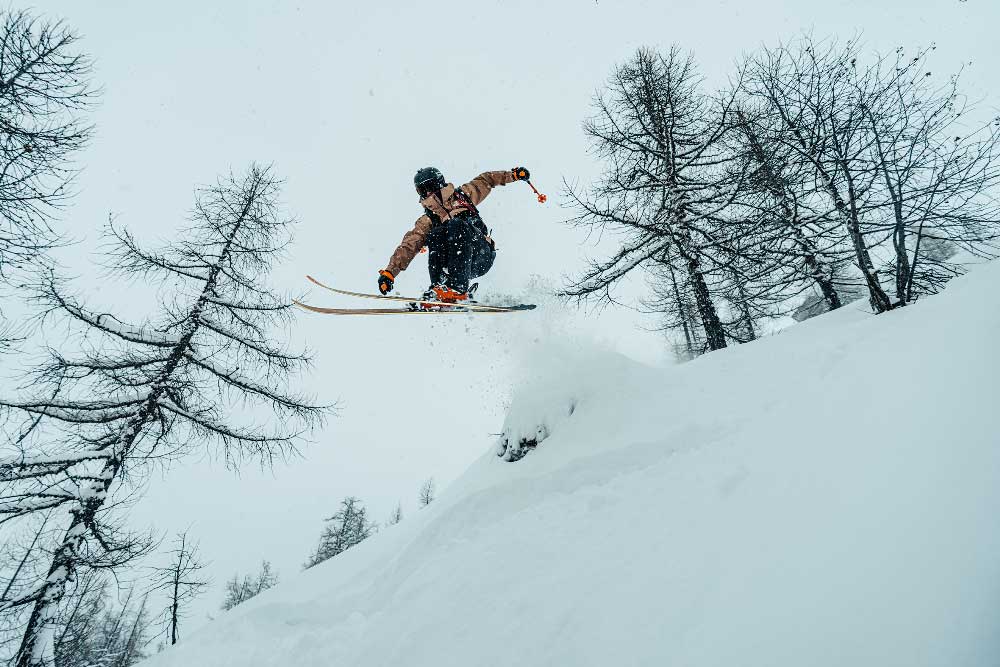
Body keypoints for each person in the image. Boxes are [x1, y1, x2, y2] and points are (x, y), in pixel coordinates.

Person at [377, 166, 531, 305]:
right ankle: (439, 289)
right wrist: (390, 272)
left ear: (438, 184)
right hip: (457, 265)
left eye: (429, 188)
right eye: (422, 191)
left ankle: (458, 289)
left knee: (456, 224)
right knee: (435, 233)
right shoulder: (428, 219)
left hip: (480, 254)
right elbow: (410, 244)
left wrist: (513, 175)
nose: (427, 194)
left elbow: (487, 179)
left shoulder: (464, 195)